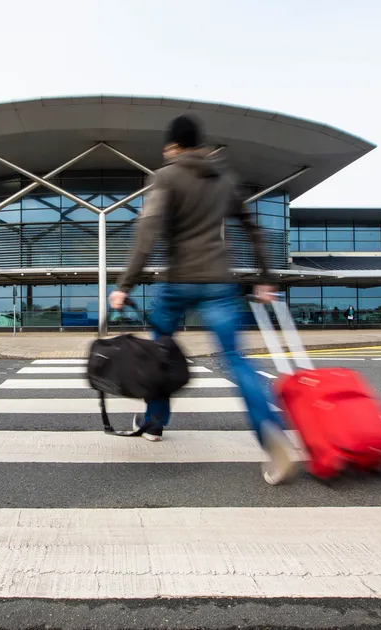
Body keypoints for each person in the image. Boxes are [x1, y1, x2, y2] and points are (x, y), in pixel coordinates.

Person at [108, 113, 302, 483]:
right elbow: (253, 228)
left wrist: (124, 285)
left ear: (173, 146)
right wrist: (265, 276)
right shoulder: (223, 179)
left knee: (160, 352)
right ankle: (271, 435)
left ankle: (154, 422)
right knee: (236, 360)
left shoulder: (165, 177)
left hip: (177, 281)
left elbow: (147, 235)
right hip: (218, 282)